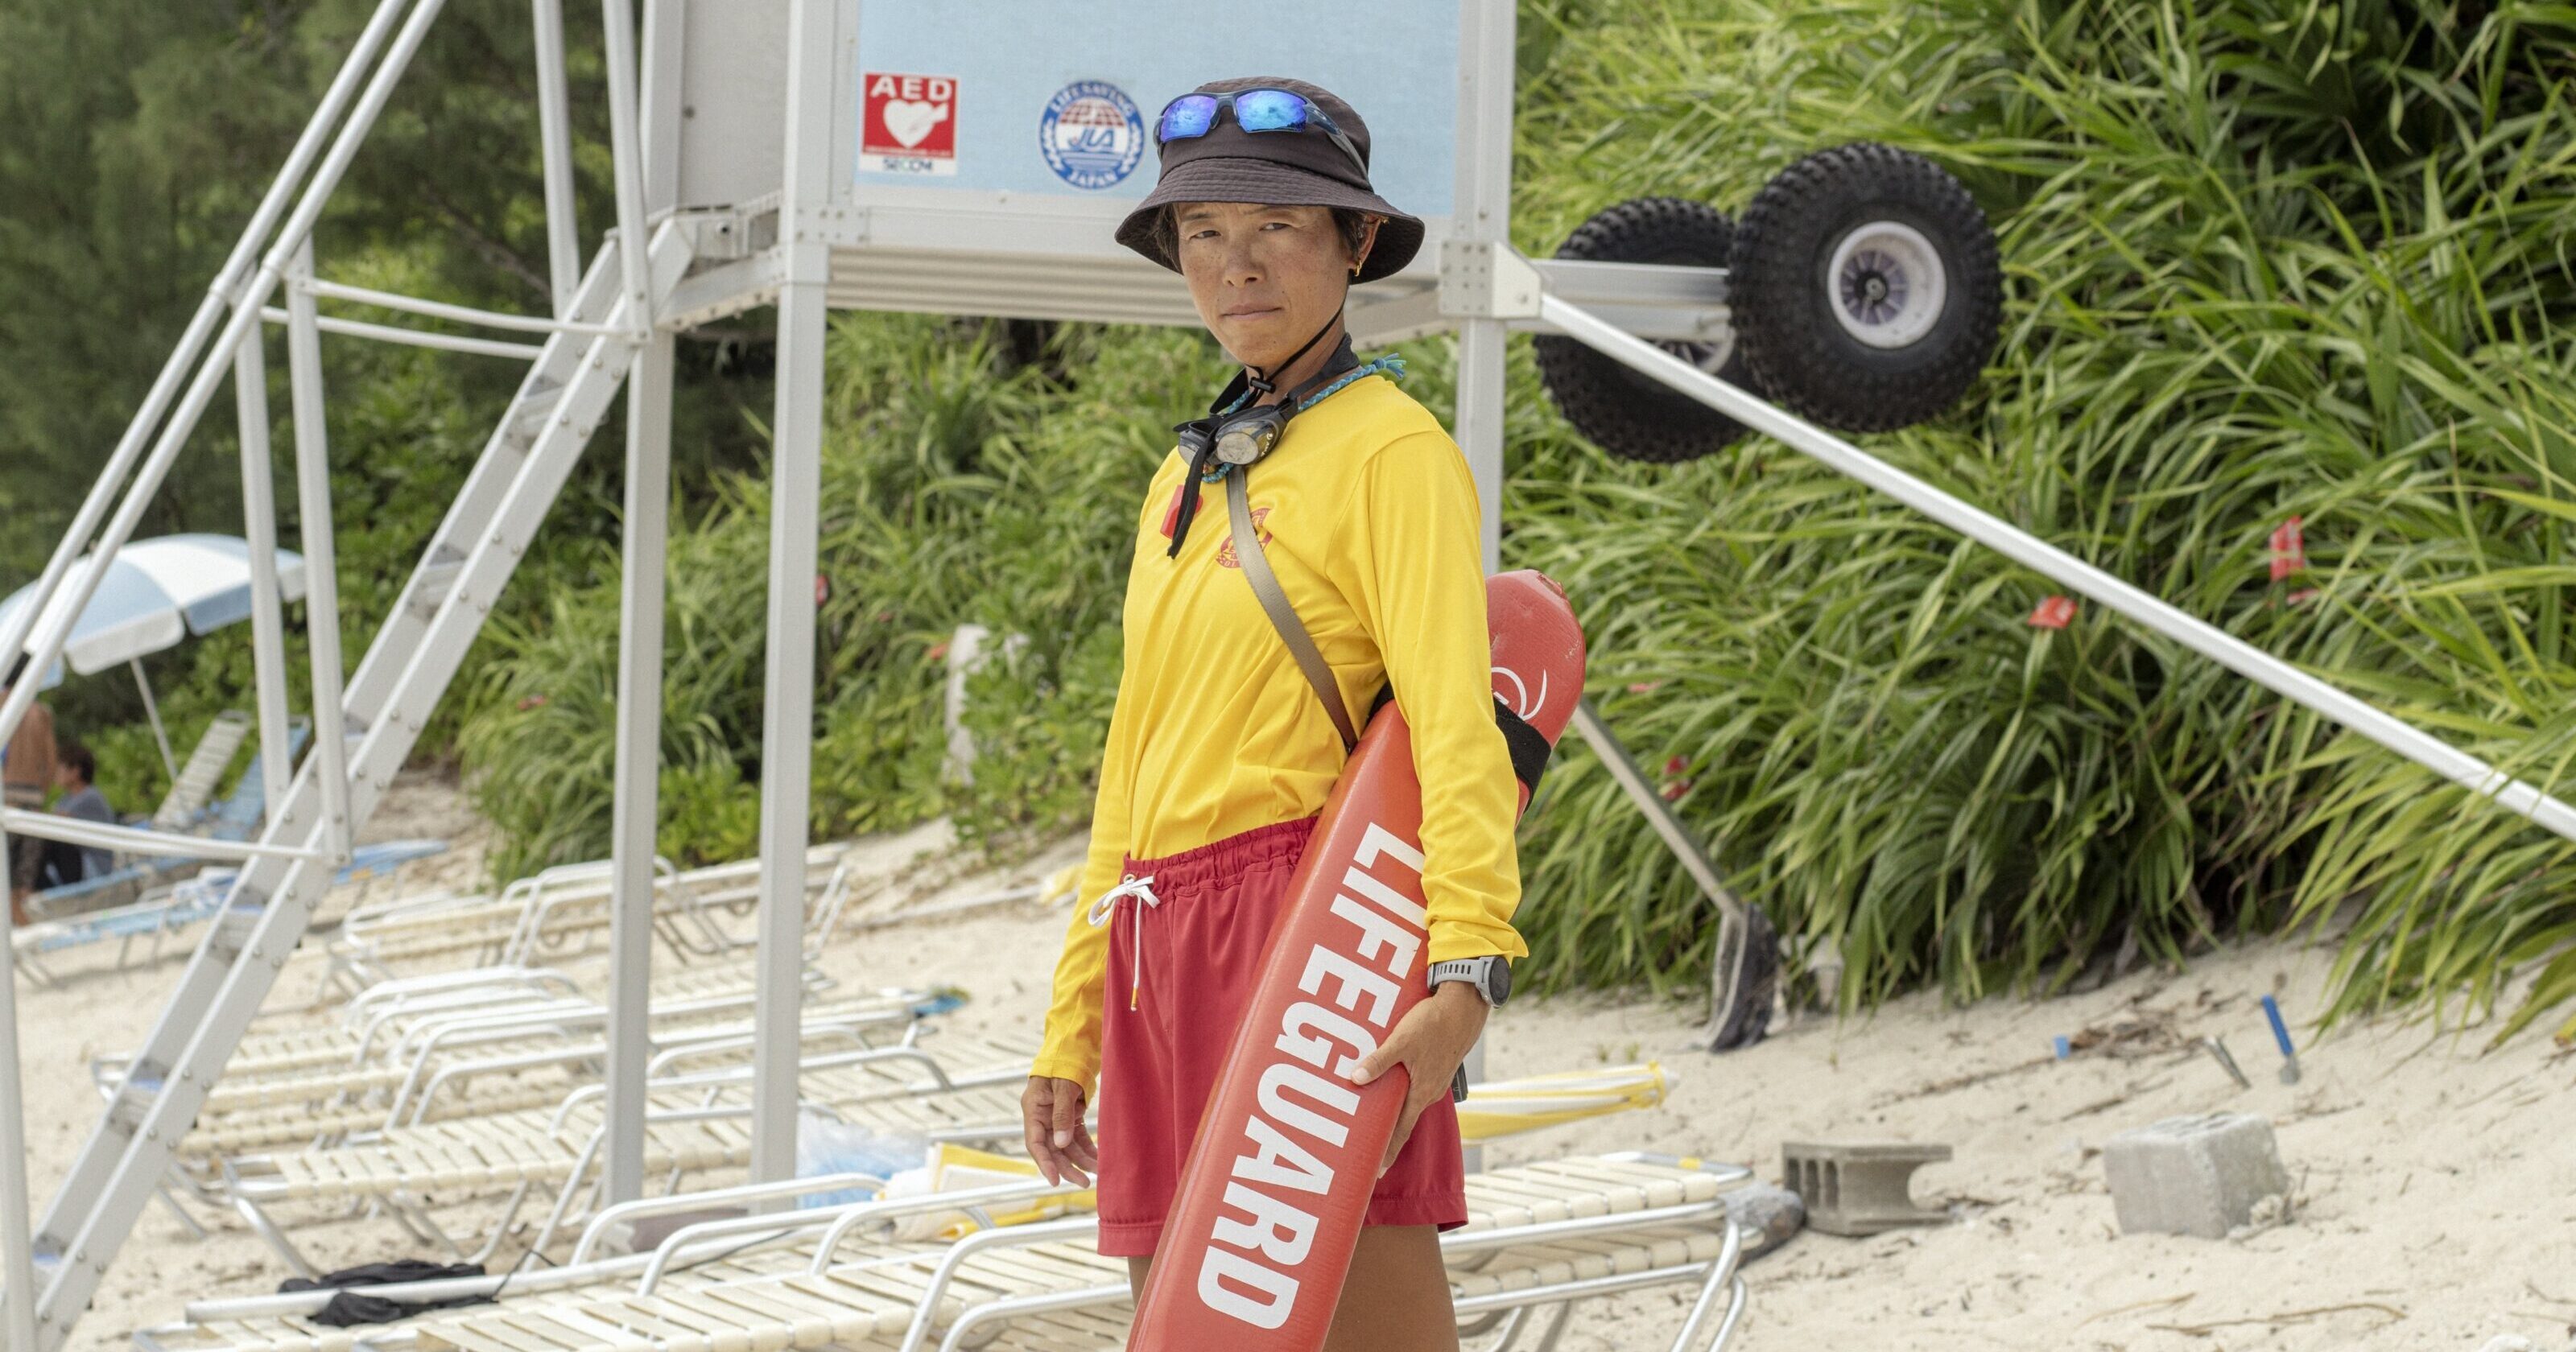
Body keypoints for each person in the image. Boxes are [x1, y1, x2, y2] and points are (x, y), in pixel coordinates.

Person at [1022, 77, 1524, 1351]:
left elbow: (1454, 721)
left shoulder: (1392, 449)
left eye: (1278, 229)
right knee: (1193, 1334)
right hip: (1155, 944)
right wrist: (1071, 1028)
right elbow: (1130, 773)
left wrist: (1465, 966)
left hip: (1309, 934)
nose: (1235, 266)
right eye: (1203, 235)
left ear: (1354, 245)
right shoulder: (1182, 474)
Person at [4, 655, 60, 918]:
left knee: (4, 872)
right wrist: (41, 794)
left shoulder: (3, 704)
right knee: (23, 880)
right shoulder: (41, 712)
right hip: (33, 797)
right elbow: (51, 763)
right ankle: (22, 924)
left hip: (6, 794)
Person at [38, 739, 115, 890]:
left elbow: (56, 823)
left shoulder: (90, 797)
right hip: (74, 864)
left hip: (94, 867)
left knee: (50, 842)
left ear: (75, 771)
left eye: (60, 768)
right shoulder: (64, 800)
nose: (56, 773)